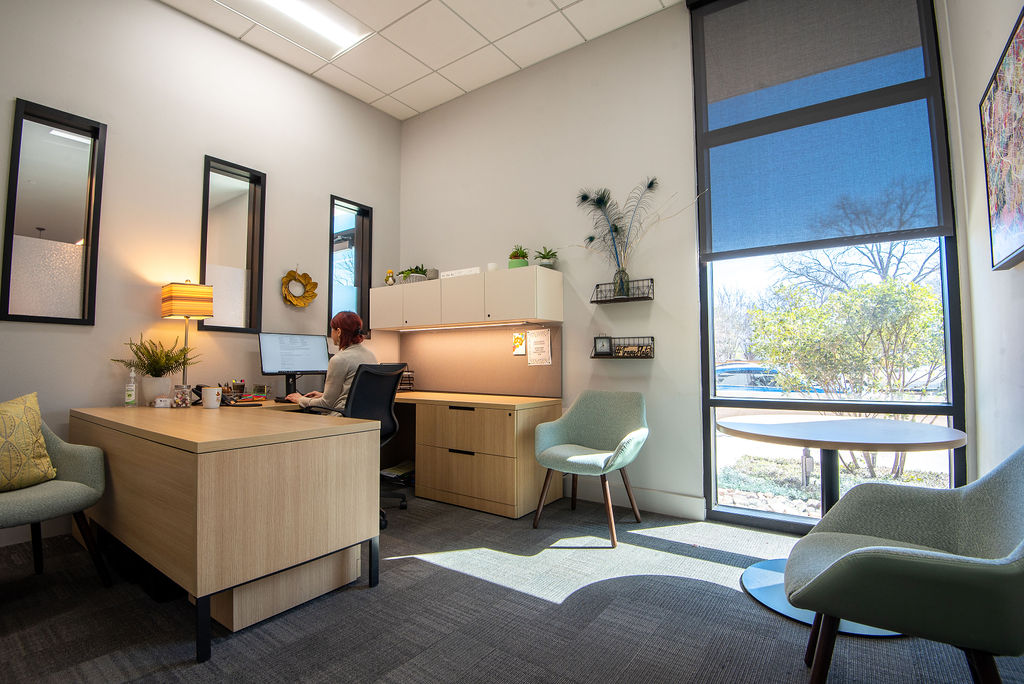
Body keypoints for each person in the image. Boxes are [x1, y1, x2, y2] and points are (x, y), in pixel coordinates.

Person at [285, 311, 377, 412]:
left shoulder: (339, 359)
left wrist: (300, 399)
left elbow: (326, 405)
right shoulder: (371, 355)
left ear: (339, 331)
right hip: (367, 419)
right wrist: (324, 395)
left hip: (343, 418)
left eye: (332, 330)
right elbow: (355, 394)